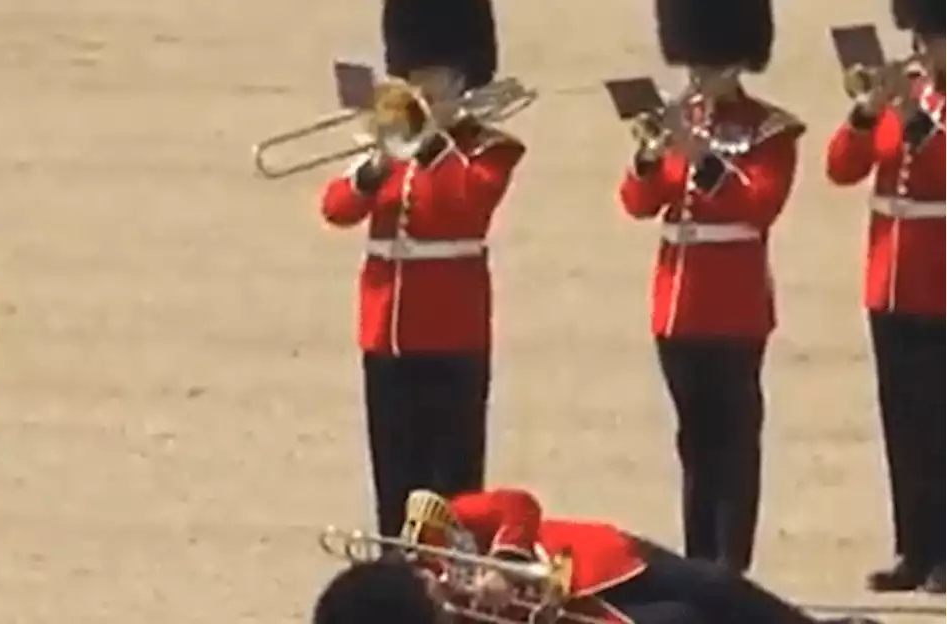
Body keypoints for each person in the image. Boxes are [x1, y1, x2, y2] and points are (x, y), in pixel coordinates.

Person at [319, 0, 526, 540]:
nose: (426, 88)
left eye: (438, 78)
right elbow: (337, 208)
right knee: (395, 479)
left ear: (464, 79)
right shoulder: (390, 138)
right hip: (385, 333)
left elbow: (466, 204)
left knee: (452, 489)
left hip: (451, 334)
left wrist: (430, 141)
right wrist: (376, 165)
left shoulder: (488, 149)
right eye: (418, 77)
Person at [615, 0, 805, 574]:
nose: (698, 77)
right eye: (694, 64)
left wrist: (702, 161)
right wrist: (649, 159)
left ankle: (731, 561)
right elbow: (636, 204)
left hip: (734, 305)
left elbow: (760, 203)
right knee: (694, 440)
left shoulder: (769, 130)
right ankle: (700, 557)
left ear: (738, 61)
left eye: (710, 64)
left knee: (734, 439)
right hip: (677, 305)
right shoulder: (678, 118)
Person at [312, 487, 876, 624]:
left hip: (596, 559)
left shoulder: (429, 529)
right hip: (583, 616)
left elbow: (515, 503)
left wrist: (497, 562)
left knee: (714, 585)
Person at [824, 0, 947, 594]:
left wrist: (912, 116)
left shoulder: (923, 104)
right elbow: (841, 167)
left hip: (942, 281)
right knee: (904, 423)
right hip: (891, 280)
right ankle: (915, 549)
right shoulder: (908, 92)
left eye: (933, 39)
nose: (922, 50)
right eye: (921, 38)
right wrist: (867, 112)